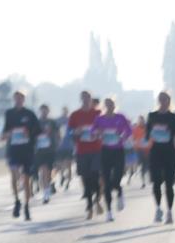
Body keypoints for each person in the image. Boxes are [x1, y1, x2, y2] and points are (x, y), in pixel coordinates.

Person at [146, 91, 175, 224]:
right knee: (156, 182)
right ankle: (158, 209)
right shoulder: (152, 116)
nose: (163, 102)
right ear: (158, 101)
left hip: (170, 153)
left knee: (169, 184)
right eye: (161, 99)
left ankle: (169, 212)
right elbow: (147, 135)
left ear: (169, 101)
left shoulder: (174, 117)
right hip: (156, 153)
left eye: (166, 100)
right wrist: (153, 132)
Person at [1, 91, 40, 220]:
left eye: (20, 98)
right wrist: (9, 133)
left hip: (27, 151)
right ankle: (17, 200)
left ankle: (27, 206)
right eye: (16, 98)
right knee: (14, 174)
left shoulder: (30, 114)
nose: (18, 100)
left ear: (24, 99)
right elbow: (4, 132)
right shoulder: (9, 113)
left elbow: (38, 131)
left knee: (26, 180)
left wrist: (28, 133)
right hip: (13, 150)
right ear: (14, 99)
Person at [93, 98, 132, 221]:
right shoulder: (100, 119)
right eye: (107, 105)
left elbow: (129, 130)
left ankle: (119, 191)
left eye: (112, 104)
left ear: (115, 105)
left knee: (117, 179)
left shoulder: (120, 117)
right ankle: (109, 212)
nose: (110, 106)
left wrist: (123, 135)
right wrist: (97, 133)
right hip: (105, 151)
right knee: (106, 182)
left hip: (118, 151)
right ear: (105, 106)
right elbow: (92, 131)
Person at [68, 91, 103, 220]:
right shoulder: (75, 115)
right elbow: (69, 132)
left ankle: (97, 199)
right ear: (81, 99)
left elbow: (104, 129)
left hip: (96, 149)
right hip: (82, 150)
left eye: (88, 98)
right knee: (86, 178)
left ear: (91, 99)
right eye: (83, 98)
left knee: (95, 176)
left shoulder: (98, 114)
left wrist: (98, 132)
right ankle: (89, 205)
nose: (86, 100)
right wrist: (75, 131)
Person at [35, 104, 59, 204]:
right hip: (39, 150)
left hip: (50, 150)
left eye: (46, 110)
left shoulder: (52, 122)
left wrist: (56, 144)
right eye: (42, 110)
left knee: (48, 172)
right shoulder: (36, 122)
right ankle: (47, 191)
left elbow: (58, 134)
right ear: (40, 111)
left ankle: (48, 190)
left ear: (48, 111)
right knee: (42, 172)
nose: (44, 112)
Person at [55, 106, 74, 190]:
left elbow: (74, 132)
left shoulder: (71, 120)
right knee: (60, 165)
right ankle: (62, 176)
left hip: (69, 146)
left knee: (69, 165)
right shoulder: (58, 121)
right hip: (60, 147)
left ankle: (68, 182)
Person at [132, 115, 150, 188]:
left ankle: (145, 177)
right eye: (140, 120)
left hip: (147, 150)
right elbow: (133, 139)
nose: (141, 122)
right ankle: (143, 181)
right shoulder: (135, 129)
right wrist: (136, 143)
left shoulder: (148, 128)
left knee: (146, 166)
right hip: (139, 149)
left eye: (142, 120)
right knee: (141, 165)